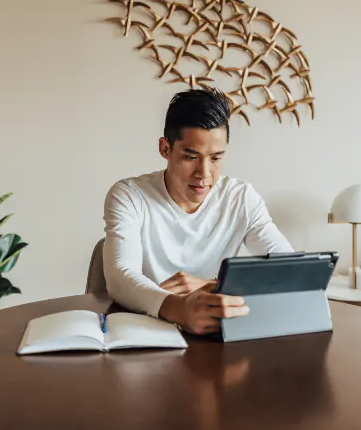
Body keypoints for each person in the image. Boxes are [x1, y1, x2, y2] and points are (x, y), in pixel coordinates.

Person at [103, 87, 293, 335]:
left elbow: (289, 270)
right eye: (190, 157)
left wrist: (211, 286)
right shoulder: (129, 195)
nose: (203, 174)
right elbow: (120, 277)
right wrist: (180, 308)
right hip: (146, 332)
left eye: (215, 158)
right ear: (165, 149)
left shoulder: (241, 198)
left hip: (219, 333)